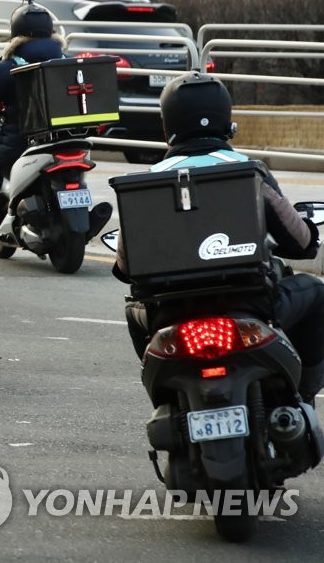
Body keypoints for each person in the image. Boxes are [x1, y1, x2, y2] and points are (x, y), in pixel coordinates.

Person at [114, 71, 324, 403]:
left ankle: (164, 397)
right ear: (227, 121)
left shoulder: (148, 181)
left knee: (132, 312)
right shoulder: (248, 169)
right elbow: (298, 242)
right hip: (252, 304)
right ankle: (305, 392)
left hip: (169, 313)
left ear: (167, 126)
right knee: (315, 292)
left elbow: (125, 267)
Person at [0, 0, 66, 229]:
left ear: (15, 32)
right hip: (67, 139)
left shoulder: (6, 66)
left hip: (20, 143)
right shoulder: (66, 61)